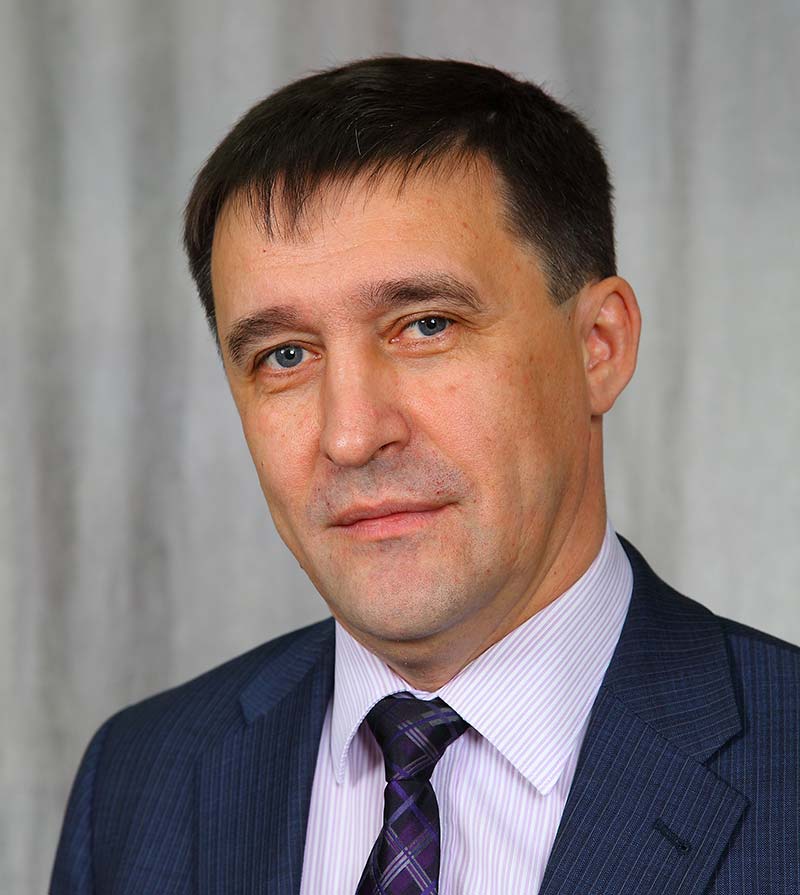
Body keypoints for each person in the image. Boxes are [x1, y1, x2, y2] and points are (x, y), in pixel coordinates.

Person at [50, 56, 798, 895]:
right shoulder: (137, 780)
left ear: (599, 346)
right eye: (285, 355)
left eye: (426, 325)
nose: (351, 435)